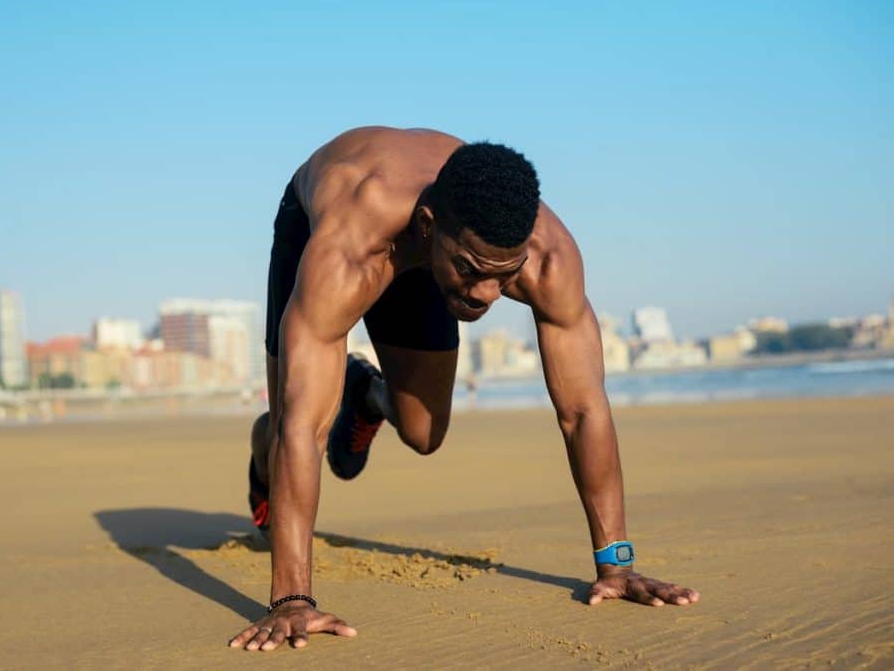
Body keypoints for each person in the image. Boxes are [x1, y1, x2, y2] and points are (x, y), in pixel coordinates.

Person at [229, 126, 699, 652]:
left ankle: (364, 393)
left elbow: (583, 410)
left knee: (425, 432)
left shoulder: (548, 258)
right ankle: (266, 449)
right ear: (429, 228)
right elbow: (302, 430)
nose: (488, 297)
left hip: (428, 247)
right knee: (288, 422)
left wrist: (617, 563)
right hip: (330, 222)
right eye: (474, 273)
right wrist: (292, 600)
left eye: (505, 275)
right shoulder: (346, 252)